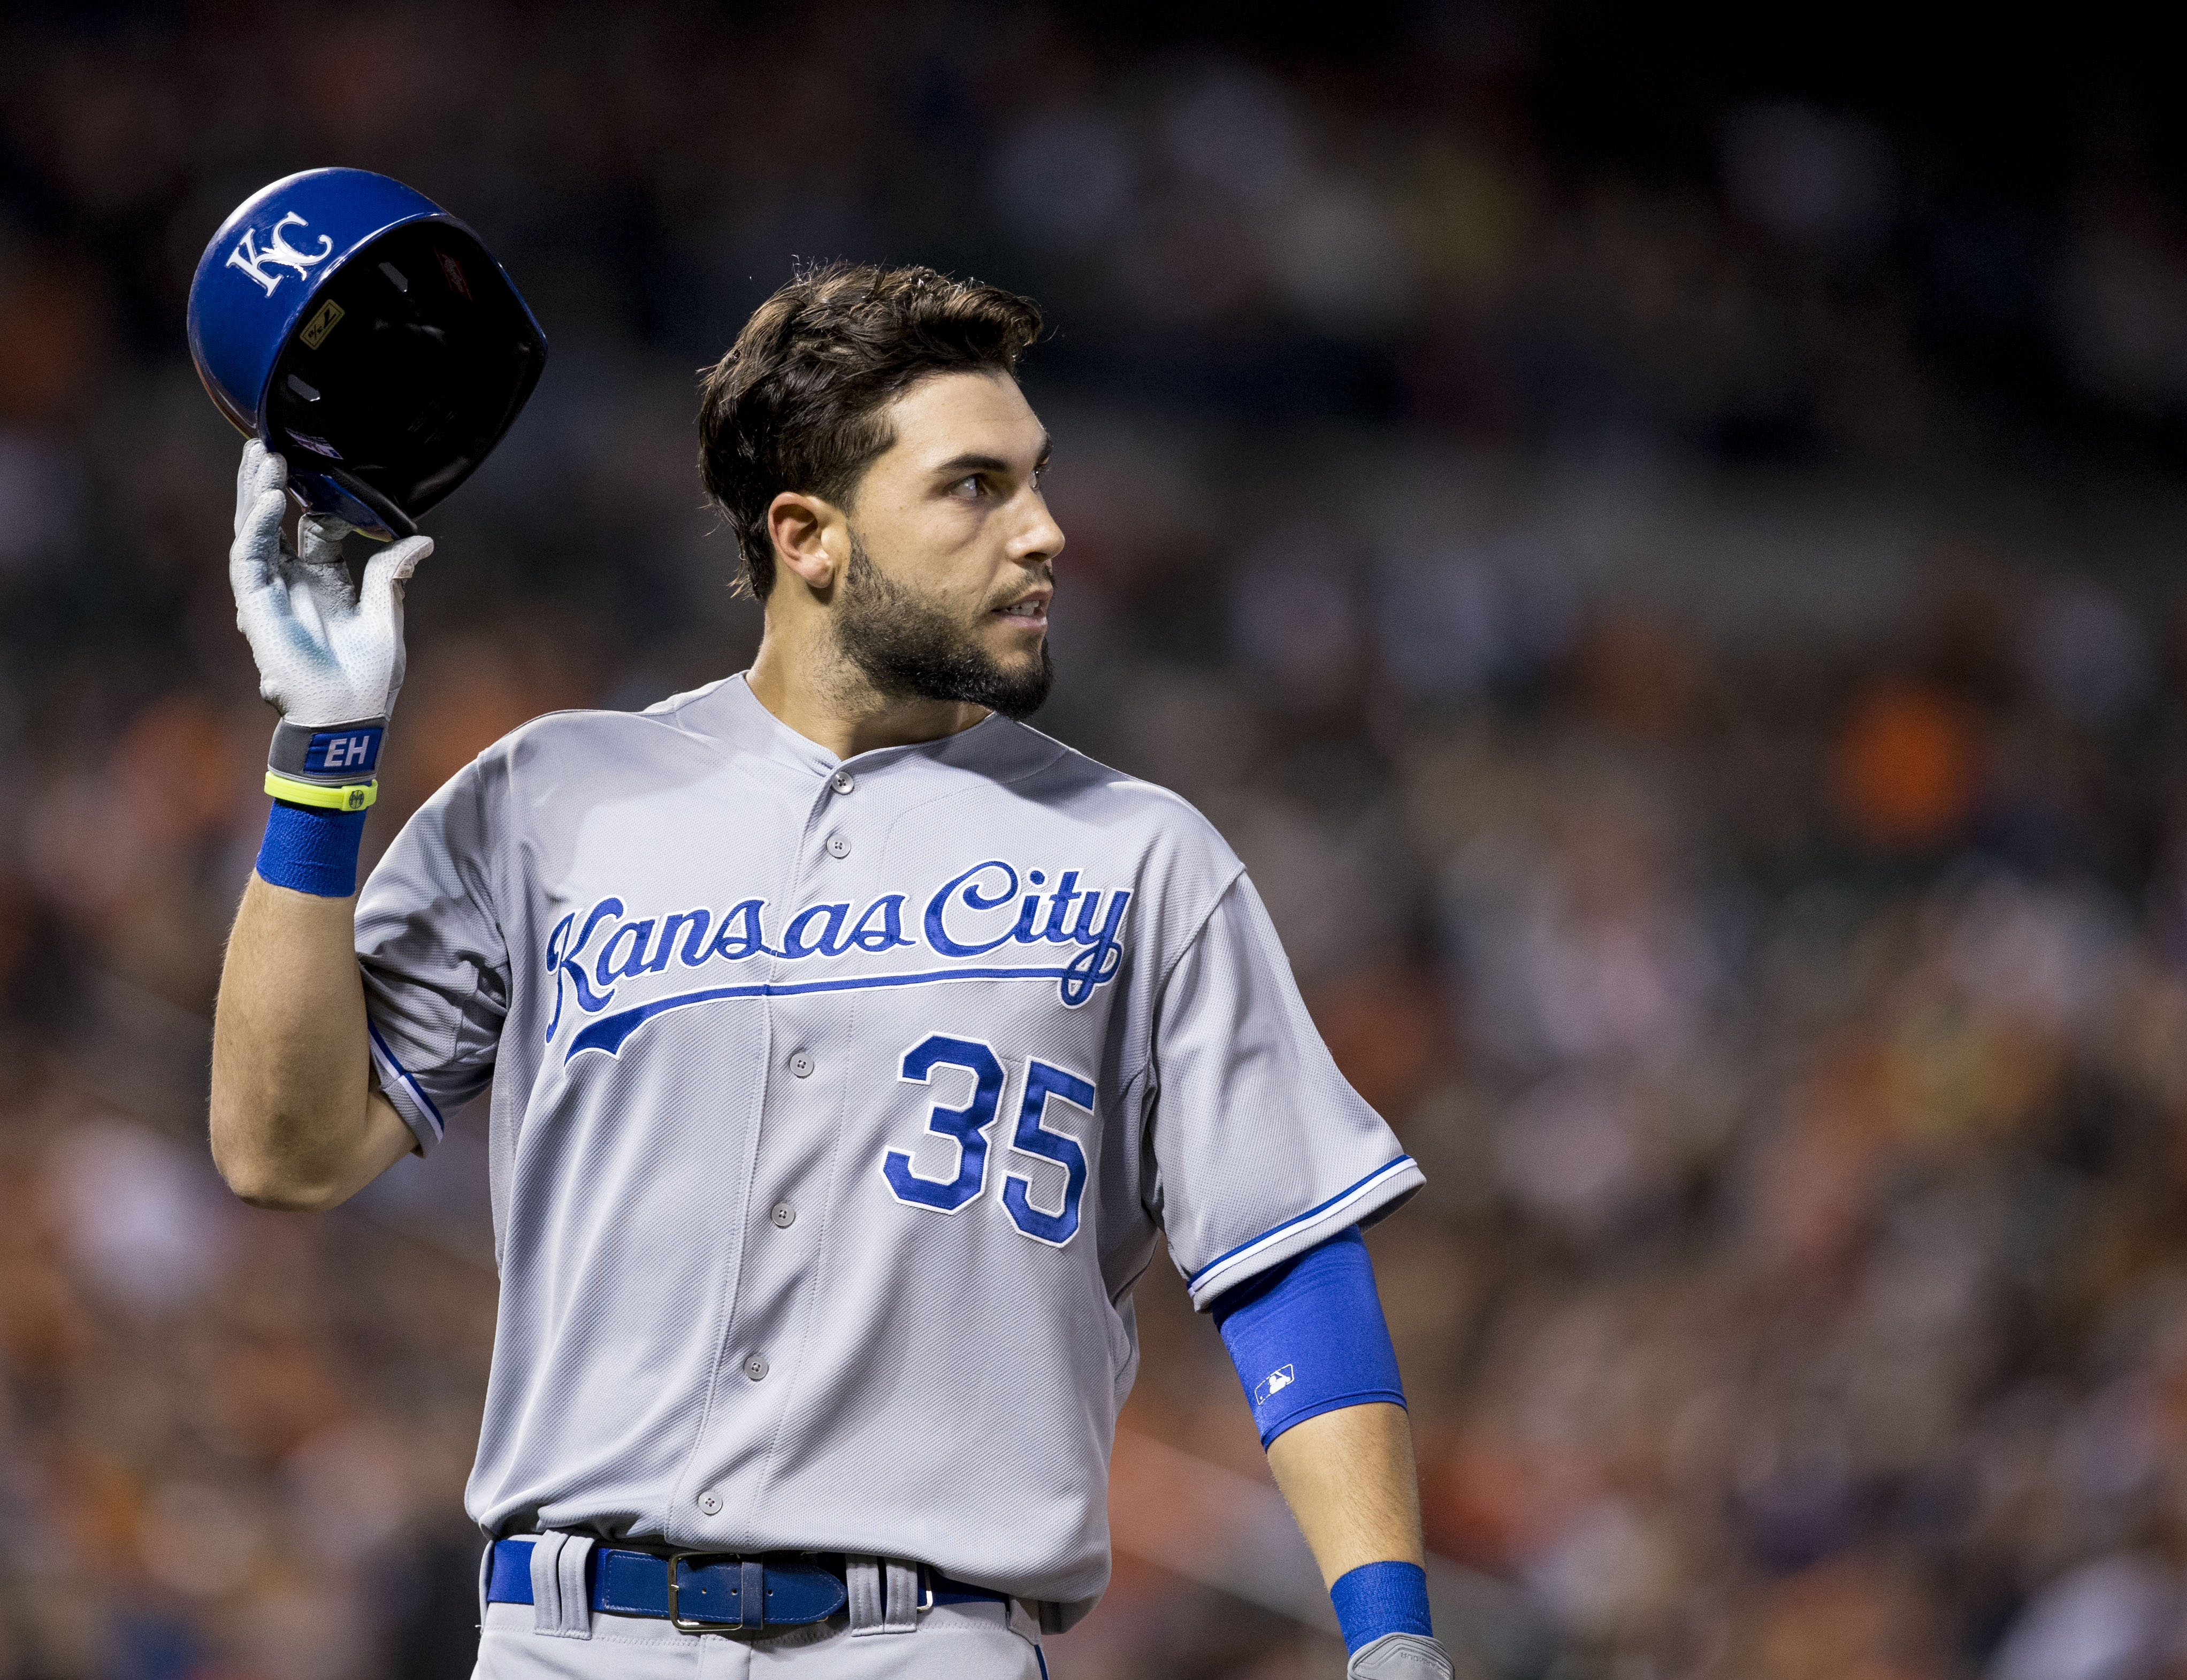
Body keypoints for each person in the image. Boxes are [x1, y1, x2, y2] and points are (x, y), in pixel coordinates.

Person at [208, 262, 1455, 1680]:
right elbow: (285, 1148)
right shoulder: (553, 797)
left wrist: (1391, 1640)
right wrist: (323, 753)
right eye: (976, 487)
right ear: (809, 536)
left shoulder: (1141, 856)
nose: (1045, 531)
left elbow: (1289, 1263)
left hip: (927, 1643)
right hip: (569, 1641)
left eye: (1036, 480)